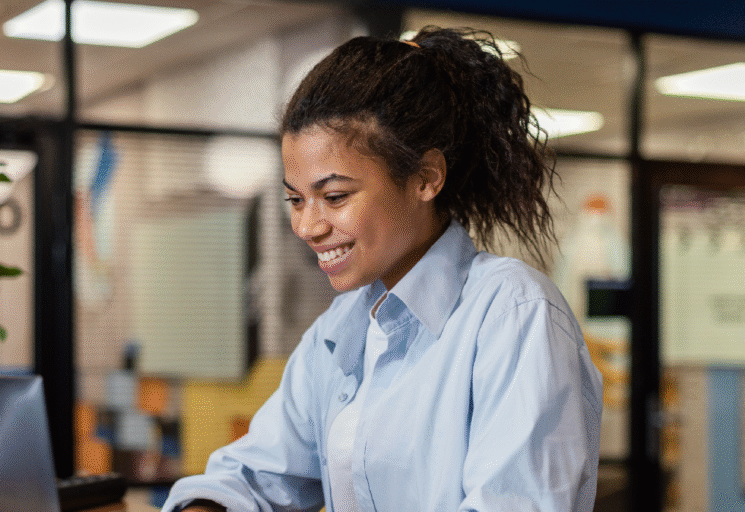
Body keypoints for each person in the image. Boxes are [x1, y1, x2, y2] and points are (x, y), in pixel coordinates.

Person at [163, 26, 603, 512]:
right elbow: (254, 475)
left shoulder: (513, 316)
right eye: (295, 199)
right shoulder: (340, 328)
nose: (308, 226)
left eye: (334, 197)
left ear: (426, 177)